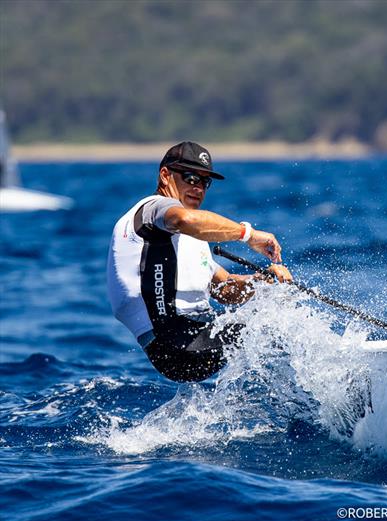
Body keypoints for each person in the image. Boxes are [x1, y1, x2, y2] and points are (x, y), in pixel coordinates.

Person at [106, 141, 292, 382]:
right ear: (165, 176)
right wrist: (249, 234)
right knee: (280, 329)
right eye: (191, 178)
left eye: (205, 182)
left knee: (278, 321)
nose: (199, 188)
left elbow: (225, 290)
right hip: (173, 342)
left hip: (195, 340)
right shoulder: (155, 209)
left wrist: (262, 283)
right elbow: (185, 219)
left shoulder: (187, 237)